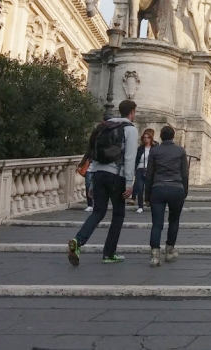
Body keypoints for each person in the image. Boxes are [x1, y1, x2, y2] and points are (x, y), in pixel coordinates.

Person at [68, 100, 139, 266]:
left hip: (99, 174)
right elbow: (129, 158)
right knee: (118, 214)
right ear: (132, 112)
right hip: (116, 176)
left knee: (98, 212)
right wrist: (129, 183)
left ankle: (79, 241)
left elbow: (94, 156)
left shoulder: (105, 127)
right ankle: (109, 253)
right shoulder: (130, 129)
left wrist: (91, 183)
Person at [145, 125, 189, 267]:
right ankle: (169, 251)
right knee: (174, 221)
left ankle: (155, 255)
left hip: (158, 188)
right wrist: (185, 191)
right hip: (176, 188)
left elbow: (150, 174)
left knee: (157, 224)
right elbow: (184, 174)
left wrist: (147, 194)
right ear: (173, 136)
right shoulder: (180, 151)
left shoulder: (154, 151)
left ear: (161, 137)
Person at [133, 129, 157, 213]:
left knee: (150, 188)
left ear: (151, 139)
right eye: (144, 137)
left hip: (150, 170)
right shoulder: (140, 149)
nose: (146, 139)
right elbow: (136, 159)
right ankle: (140, 206)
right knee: (140, 188)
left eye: (148, 137)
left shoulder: (154, 149)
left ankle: (149, 202)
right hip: (140, 169)